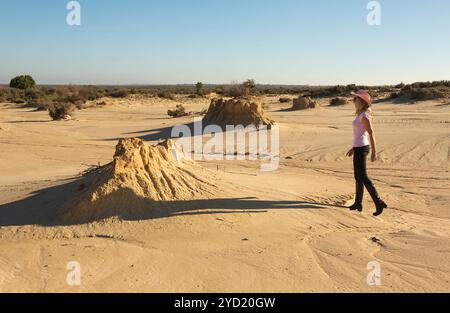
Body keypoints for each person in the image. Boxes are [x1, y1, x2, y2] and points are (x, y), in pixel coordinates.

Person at [346, 90, 387, 216]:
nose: (354, 101)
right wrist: (353, 148)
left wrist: (374, 151)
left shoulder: (364, 116)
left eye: (356, 99)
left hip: (363, 148)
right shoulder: (359, 115)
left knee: (363, 177)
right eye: (354, 99)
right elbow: (359, 134)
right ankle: (358, 203)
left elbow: (371, 133)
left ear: (362, 102)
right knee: (358, 177)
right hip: (358, 147)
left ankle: (378, 202)